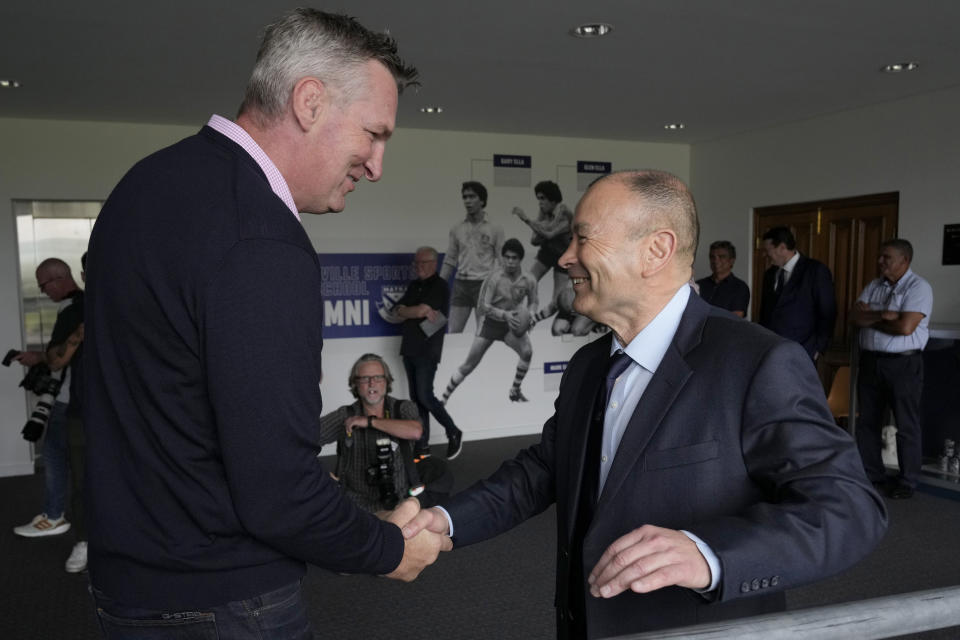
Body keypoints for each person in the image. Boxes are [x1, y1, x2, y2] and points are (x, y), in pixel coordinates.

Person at [83, 10, 449, 639]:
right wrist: (389, 549)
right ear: (310, 101)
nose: (377, 165)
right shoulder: (262, 241)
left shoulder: (144, 184)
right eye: (374, 133)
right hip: (220, 600)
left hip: (128, 583)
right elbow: (279, 491)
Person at [404, 170, 887, 638]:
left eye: (583, 238)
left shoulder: (759, 361)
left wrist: (708, 554)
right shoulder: (589, 365)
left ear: (656, 249)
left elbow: (849, 509)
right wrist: (446, 519)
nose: (566, 258)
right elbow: (547, 469)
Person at [13, 257, 86, 576]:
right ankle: (57, 516)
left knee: (73, 467)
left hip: (77, 403)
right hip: (70, 400)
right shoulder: (76, 309)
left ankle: (65, 523)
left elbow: (57, 359)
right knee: (59, 457)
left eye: (44, 286)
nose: (43, 292)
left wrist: (41, 358)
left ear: (60, 278)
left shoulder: (79, 308)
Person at [850, 239, 933, 500]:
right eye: (880, 257)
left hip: (903, 364)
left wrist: (875, 317)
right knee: (868, 422)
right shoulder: (874, 285)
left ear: (904, 261)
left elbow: (905, 328)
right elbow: (854, 318)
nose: (880, 262)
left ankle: (907, 481)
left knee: (905, 423)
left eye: (886, 257)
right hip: (871, 362)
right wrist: (884, 316)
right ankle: (872, 475)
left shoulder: (919, 287)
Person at [319, 354, 424, 513]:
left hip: (401, 503)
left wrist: (369, 421)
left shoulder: (403, 408)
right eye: (364, 379)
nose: (371, 383)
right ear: (355, 384)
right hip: (356, 507)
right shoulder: (345, 415)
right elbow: (302, 438)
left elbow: (416, 431)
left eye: (378, 378)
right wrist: (321, 475)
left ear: (387, 381)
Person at [441, 239, 537, 404]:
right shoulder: (494, 278)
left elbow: (533, 301)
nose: (510, 261)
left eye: (514, 258)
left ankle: (515, 390)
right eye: (507, 257)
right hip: (491, 324)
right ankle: (443, 399)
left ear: (520, 259)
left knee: (527, 352)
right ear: (503, 258)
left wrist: (531, 314)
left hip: (511, 325)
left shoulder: (529, 279)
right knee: (469, 365)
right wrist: (503, 315)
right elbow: (482, 306)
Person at [395, 247, 463, 460]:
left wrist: (410, 310)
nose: (419, 267)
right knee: (417, 400)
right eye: (416, 263)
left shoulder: (440, 286)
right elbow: (399, 310)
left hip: (427, 350)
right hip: (409, 348)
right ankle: (422, 445)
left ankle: (453, 431)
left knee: (425, 396)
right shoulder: (415, 285)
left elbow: (416, 309)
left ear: (434, 263)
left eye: (423, 263)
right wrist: (413, 310)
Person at [758, 227, 836, 360]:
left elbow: (827, 311)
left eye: (767, 250)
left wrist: (818, 348)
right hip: (771, 351)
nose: (764, 255)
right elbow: (765, 312)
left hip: (803, 351)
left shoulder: (815, 270)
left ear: (782, 247)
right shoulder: (769, 274)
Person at [439, 181, 505, 333]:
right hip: (461, 284)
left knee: (483, 334)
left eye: (472, 197)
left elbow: (502, 261)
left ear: (482, 200)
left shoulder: (495, 228)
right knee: (453, 332)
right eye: (465, 197)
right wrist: (439, 286)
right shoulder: (457, 228)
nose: (467, 201)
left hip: (484, 284)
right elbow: (450, 259)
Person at [512, 180, 573, 324]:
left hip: (564, 256)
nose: (540, 202)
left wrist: (526, 219)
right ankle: (510, 313)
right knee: (525, 282)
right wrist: (540, 227)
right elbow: (534, 240)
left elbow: (550, 233)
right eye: (538, 199)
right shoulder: (544, 212)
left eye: (543, 198)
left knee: (557, 301)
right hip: (548, 251)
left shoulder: (563, 211)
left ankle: (534, 319)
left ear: (552, 199)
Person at [696, 240, 750, 317]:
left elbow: (735, 318)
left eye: (721, 257)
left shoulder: (740, 287)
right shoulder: (699, 285)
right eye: (712, 257)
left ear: (731, 260)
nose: (716, 261)